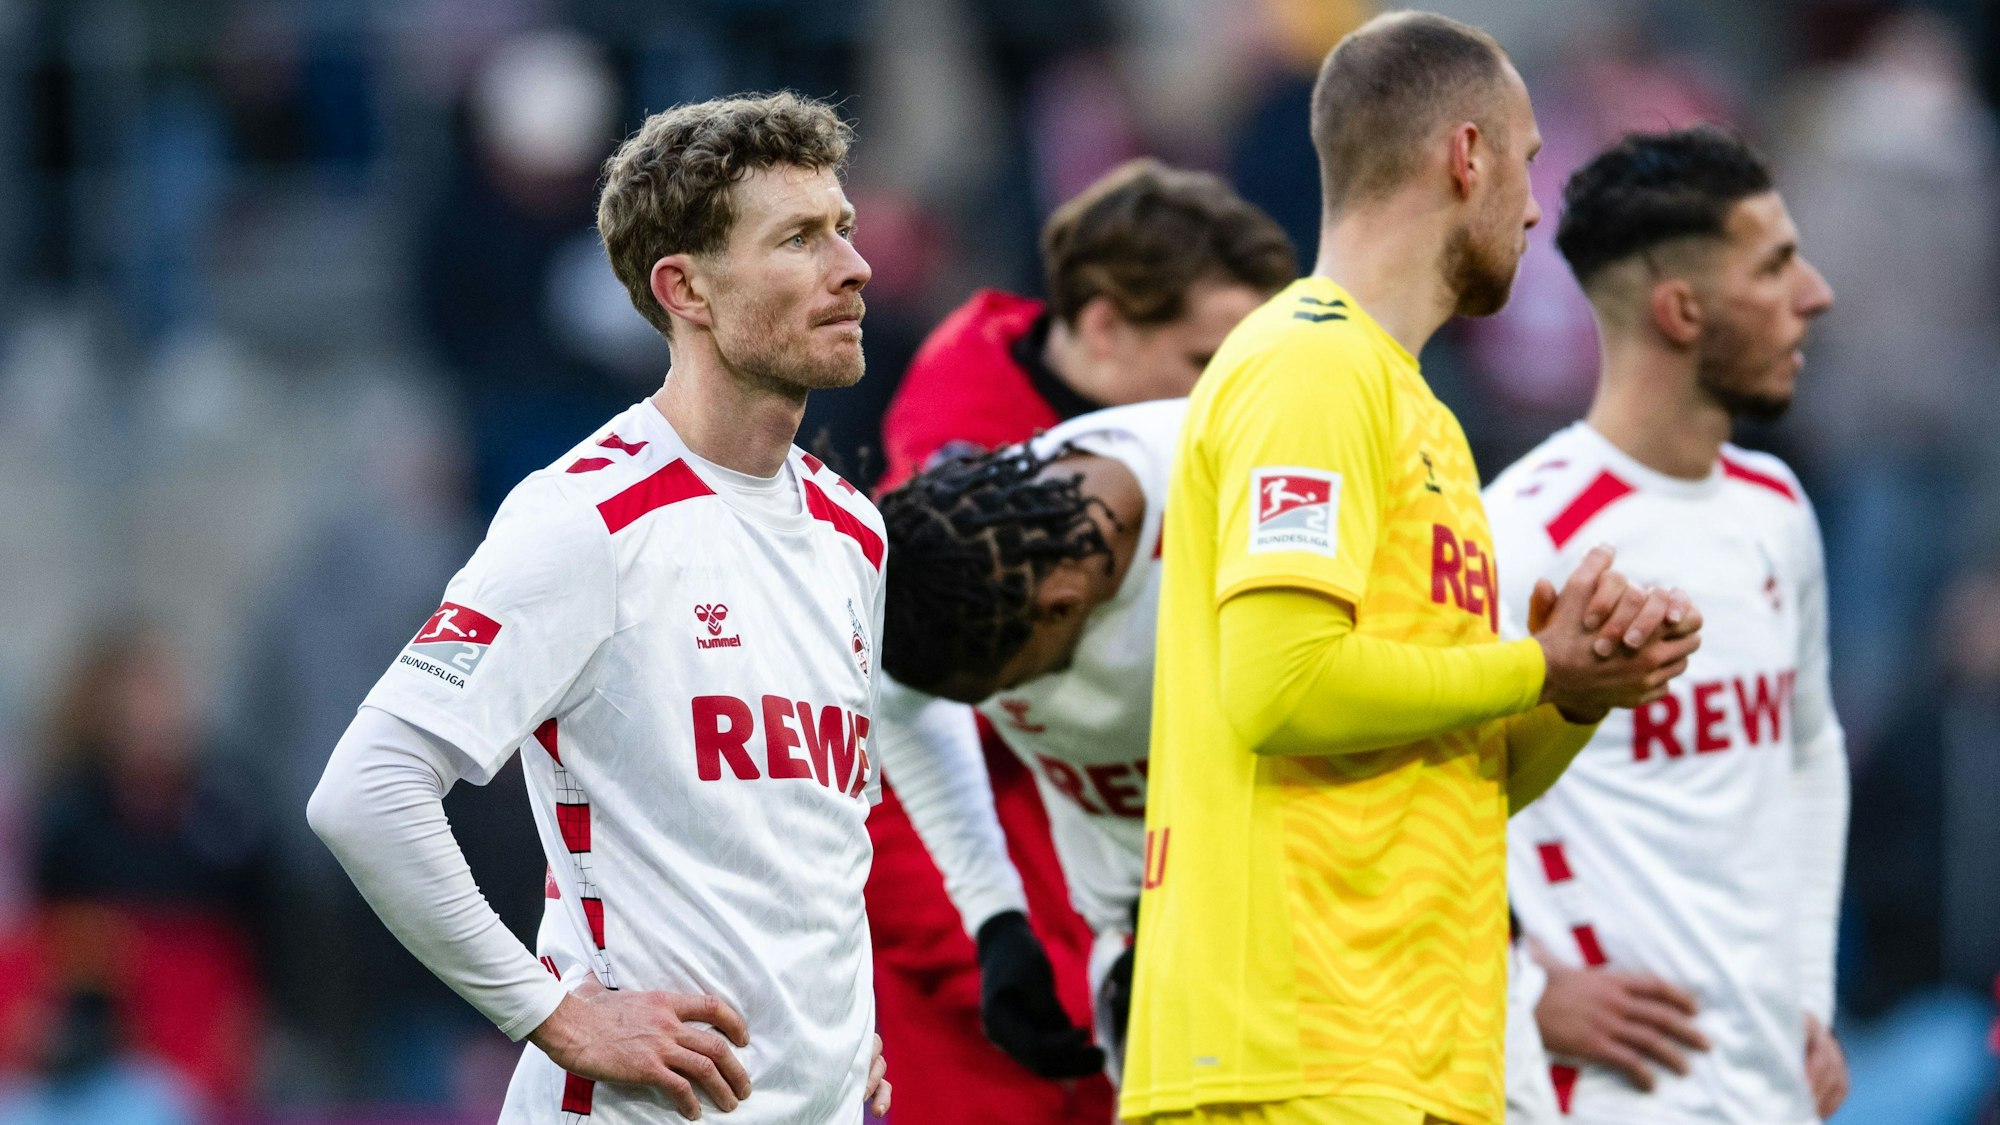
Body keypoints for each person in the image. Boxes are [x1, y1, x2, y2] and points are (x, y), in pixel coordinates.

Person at [1120, 13, 1704, 1125]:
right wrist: (1531, 663)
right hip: (1291, 1055)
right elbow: (1280, 684)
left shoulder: (1417, 415)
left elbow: (1452, 772)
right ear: (1464, 155)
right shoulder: (1309, 367)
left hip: (1408, 1053)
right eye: (1527, 165)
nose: (1535, 206)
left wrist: (1572, 693)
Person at [308, 92, 892, 1123]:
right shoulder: (587, 519)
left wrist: (844, 1040)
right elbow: (367, 791)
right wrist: (554, 1014)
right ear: (686, 290)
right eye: (798, 238)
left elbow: (811, 844)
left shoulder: (853, 531)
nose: (852, 267)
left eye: (841, 229)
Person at [866, 159, 1294, 1123]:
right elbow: (876, 777)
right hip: (1008, 1035)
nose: (1231, 396)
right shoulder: (971, 544)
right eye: (1204, 361)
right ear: (1104, 327)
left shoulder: (1136, 477)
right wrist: (1010, 958)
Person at [1487, 126, 1848, 1124]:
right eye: (1773, 266)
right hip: (1597, 1096)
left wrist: (1807, 995)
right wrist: (1513, 988)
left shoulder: (1775, 509)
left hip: (1766, 1083)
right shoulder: (1520, 534)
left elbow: (1810, 753)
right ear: (1680, 309)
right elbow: (1401, 804)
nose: (1811, 294)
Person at [874, 397, 1183, 1090]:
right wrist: (996, 919)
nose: (985, 707)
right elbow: (902, 710)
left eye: (989, 690)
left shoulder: (1231, 484)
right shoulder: (972, 561)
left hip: (1340, 932)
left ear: (1063, 604)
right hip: (1148, 958)